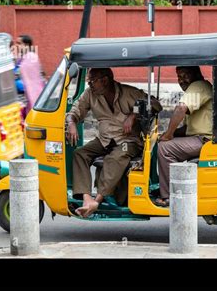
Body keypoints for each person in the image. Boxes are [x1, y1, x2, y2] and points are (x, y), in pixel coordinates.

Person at [66, 68, 162, 218]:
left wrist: (133, 115)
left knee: (114, 158)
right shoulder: (90, 94)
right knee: (80, 154)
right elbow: (76, 110)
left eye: (92, 81)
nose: (89, 84)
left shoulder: (128, 92)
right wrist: (71, 122)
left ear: (104, 80)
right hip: (104, 140)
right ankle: (86, 197)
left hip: (129, 141)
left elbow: (156, 104)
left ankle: (97, 200)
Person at [155, 66, 213, 207]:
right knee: (163, 142)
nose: (181, 80)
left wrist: (168, 135)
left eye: (185, 75)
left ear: (196, 74)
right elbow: (187, 128)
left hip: (204, 139)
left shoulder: (198, 85)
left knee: (165, 148)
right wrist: (170, 133)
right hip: (198, 137)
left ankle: (170, 195)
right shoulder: (198, 89)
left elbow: (180, 109)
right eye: (179, 77)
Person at [15, 35, 46, 114]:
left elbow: (35, 78)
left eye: (19, 43)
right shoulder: (20, 57)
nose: (17, 46)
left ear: (26, 45)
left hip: (30, 94)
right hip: (23, 95)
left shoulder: (31, 57)